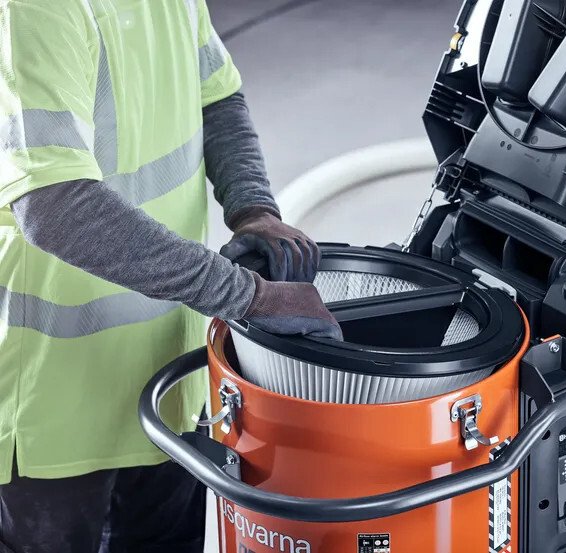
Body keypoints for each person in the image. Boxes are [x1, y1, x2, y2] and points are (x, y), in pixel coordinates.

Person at [0, 1, 341, 551]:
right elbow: (53, 205)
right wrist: (246, 295)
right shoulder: (35, 10)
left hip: (168, 372)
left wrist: (253, 207)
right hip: (55, 407)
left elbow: (217, 94)